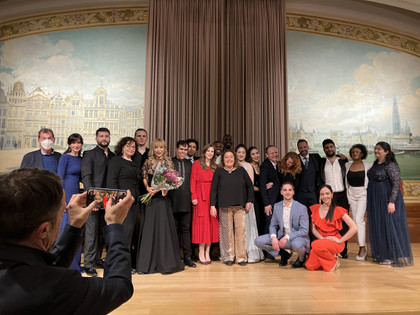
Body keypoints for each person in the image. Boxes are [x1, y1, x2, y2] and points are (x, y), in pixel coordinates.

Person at [0, 168, 134, 314]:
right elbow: (119, 287)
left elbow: (46, 268)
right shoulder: (55, 287)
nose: (65, 214)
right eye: (63, 212)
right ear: (43, 230)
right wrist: (114, 225)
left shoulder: (22, 269)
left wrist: (75, 225)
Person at [136, 138, 184, 274]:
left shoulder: (168, 162)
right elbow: (144, 176)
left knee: (164, 229)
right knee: (150, 229)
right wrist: (148, 188)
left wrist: (166, 188)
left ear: (164, 149)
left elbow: (172, 180)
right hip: (151, 199)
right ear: (153, 149)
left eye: (161, 147)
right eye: (156, 147)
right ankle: (147, 264)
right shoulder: (148, 161)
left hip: (163, 199)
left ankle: (166, 262)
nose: (158, 150)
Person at [367, 142, 413, 267]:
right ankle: (382, 254)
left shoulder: (391, 165)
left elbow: (396, 184)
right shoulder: (376, 164)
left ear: (386, 152)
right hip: (375, 199)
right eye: (375, 148)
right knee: (379, 225)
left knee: (389, 226)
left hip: (387, 199)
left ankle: (392, 256)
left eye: (379, 149)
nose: (376, 151)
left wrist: (391, 202)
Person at [81, 127, 115, 277]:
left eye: (106, 136)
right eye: (101, 136)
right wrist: (93, 199)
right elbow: (86, 177)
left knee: (102, 232)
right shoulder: (89, 154)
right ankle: (88, 264)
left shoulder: (113, 156)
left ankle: (96, 259)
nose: (104, 138)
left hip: (108, 202)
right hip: (94, 201)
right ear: (96, 138)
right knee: (91, 233)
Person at [210, 150, 254, 266]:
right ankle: (228, 257)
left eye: (231, 157)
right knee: (226, 233)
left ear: (234, 158)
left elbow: (250, 186)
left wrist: (249, 200)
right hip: (224, 207)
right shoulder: (219, 171)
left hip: (239, 206)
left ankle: (241, 258)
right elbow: (213, 189)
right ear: (223, 160)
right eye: (226, 157)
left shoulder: (241, 171)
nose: (229, 159)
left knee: (240, 232)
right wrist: (212, 205)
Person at [254, 182, 310, 268]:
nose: (287, 192)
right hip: (281, 237)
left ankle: (301, 259)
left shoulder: (301, 208)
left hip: (296, 238)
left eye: (290, 190)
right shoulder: (277, 206)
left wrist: (287, 237)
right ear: (281, 192)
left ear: (293, 192)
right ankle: (283, 253)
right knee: (258, 241)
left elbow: (304, 230)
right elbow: (273, 225)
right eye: (285, 190)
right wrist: (273, 238)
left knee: (297, 245)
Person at [305, 185, 358, 272]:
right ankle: (330, 256)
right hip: (321, 241)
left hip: (335, 241)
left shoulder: (338, 210)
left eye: (327, 194)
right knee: (310, 266)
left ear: (332, 195)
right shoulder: (316, 208)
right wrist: (322, 239)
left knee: (314, 245)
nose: (325, 196)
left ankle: (333, 261)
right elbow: (313, 229)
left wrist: (340, 240)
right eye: (322, 194)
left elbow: (354, 228)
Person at [107, 137, 139, 250]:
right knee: (126, 229)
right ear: (122, 147)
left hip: (134, 202)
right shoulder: (116, 161)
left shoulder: (134, 163)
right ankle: (120, 261)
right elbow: (111, 180)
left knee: (131, 231)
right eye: (128, 146)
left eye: (133, 147)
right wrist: (117, 199)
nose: (131, 148)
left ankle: (127, 261)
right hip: (122, 201)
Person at [57, 133, 83, 271]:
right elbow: (59, 178)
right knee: (65, 229)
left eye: (78, 143)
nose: (76, 145)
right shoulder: (65, 157)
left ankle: (75, 265)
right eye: (73, 143)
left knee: (76, 228)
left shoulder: (81, 158)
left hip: (77, 194)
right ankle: (64, 265)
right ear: (69, 144)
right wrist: (63, 200)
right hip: (67, 193)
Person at [319, 139, 349, 258]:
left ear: (335, 147)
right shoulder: (320, 162)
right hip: (327, 197)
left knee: (344, 224)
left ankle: (343, 249)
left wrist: (346, 158)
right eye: (327, 147)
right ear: (324, 149)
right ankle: (331, 249)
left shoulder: (342, 161)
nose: (329, 149)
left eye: (331, 147)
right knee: (329, 223)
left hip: (342, 196)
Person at [169, 140, 196, 268]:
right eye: (181, 149)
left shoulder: (190, 164)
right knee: (174, 231)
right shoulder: (170, 162)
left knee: (186, 230)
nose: (183, 152)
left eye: (185, 150)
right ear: (176, 149)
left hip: (186, 203)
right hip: (172, 202)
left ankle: (187, 257)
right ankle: (175, 257)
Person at [190, 143, 218, 264]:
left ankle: (208, 251)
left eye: (212, 151)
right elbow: (193, 180)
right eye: (208, 151)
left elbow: (217, 185)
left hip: (211, 197)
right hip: (200, 197)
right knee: (202, 225)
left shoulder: (215, 166)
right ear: (204, 152)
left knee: (211, 224)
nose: (210, 153)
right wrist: (193, 195)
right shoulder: (196, 164)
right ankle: (201, 251)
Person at [236, 144, 264, 263]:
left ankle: (249, 252)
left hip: (246, 200)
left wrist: (248, 200)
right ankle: (237, 253)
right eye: (239, 152)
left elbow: (250, 185)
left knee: (247, 226)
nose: (241, 154)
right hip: (234, 201)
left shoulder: (248, 166)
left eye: (243, 152)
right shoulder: (232, 165)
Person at [345, 144, 372, 261]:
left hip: (363, 195)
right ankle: (361, 247)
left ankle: (362, 248)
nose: (355, 153)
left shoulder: (368, 166)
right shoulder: (347, 165)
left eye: (357, 152)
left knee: (359, 220)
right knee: (356, 221)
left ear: (362, 154)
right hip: (351, 195)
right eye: (353, 152)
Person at [131, 128, 150, 270]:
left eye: (144, 136)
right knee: (133, 229)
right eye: (139, 136)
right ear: (135, 138)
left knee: (145, 228)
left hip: (150, 195)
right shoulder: (131, 153)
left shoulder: (151, 153)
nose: (141, 138)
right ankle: (132, 260)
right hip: (133, 195)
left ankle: (144, 259)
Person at [259, 145, 280, 239]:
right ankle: (267, 251)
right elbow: (262, 186)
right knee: (269, 225)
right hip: (269, 202)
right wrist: (266, 204)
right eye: (272, 153)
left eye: (276, 152)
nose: (275, 154)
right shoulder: (265, 166)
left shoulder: (277, 164)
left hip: (277, 201)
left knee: (276, 225)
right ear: (267, 155)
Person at [295, 139, 321, 208]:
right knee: (300, 215)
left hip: (313, 193)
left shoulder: (316, 157)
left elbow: (327, 158)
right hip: (300, 194)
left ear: (308, 147)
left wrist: (339, 156)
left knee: (314, 215)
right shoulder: (295, 159)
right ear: (298, 149)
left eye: (305, 147)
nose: (303, 149)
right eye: (300, 148)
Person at [246, 146, 265, 235]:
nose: (256, 155)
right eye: (253, 154)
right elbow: (250, 186)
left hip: (261, 196)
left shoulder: (260, 166)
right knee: (256, 219)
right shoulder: (249, 166)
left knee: (262, 219)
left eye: (257, 153)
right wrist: (263, 188)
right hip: (253, 197)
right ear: (249, 156)